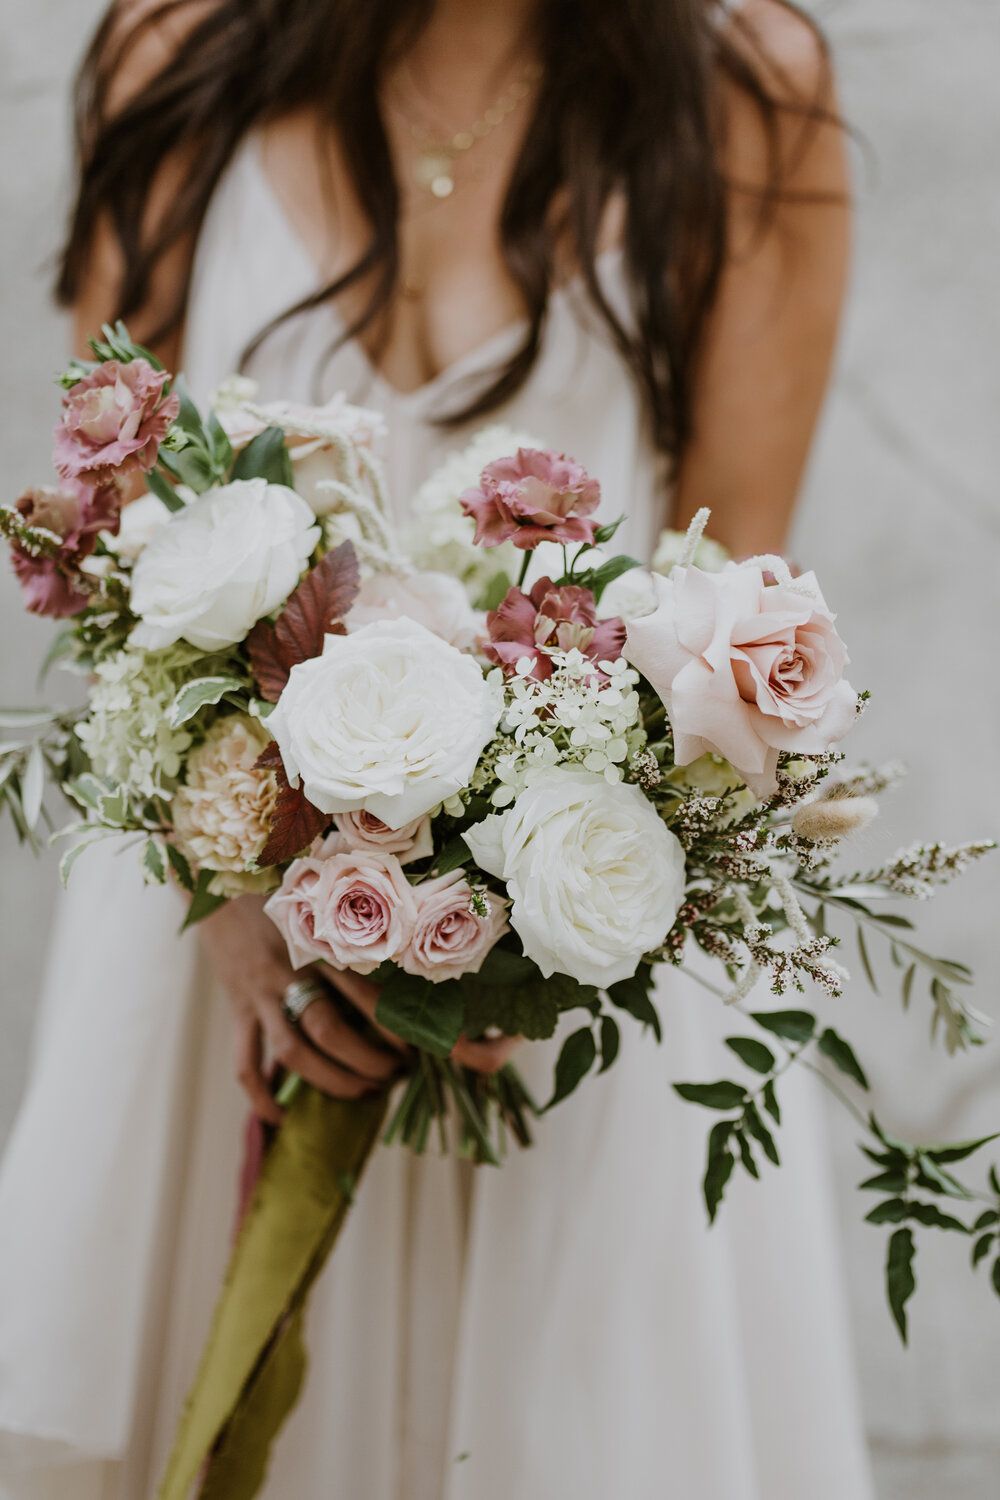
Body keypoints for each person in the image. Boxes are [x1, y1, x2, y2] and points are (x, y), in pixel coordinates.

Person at [0, 1, 874, 1496]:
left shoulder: (743, 93)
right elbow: (114, 559)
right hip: (210, 969)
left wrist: (527, 940)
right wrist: (232, 897)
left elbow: (727, 611)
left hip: (577, 983)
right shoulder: (177, 56)